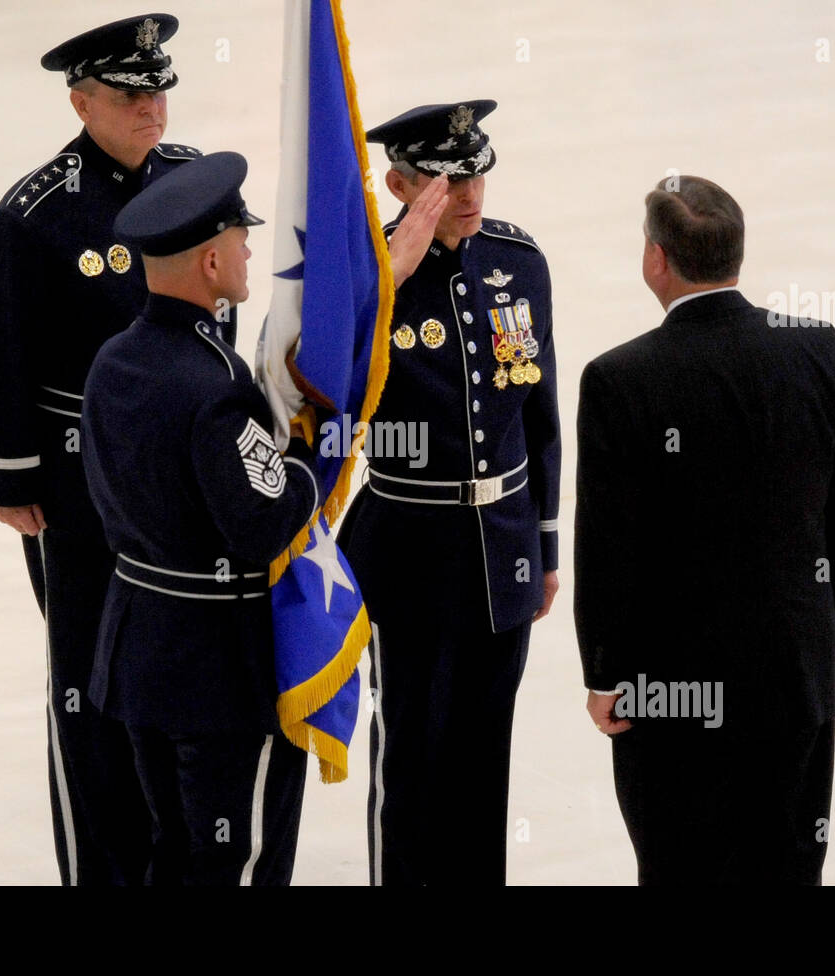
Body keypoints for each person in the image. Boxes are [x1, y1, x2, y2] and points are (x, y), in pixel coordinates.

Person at [0, 14, 204, 885]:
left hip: (181, 481)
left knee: (172, 670)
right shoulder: (40, 214)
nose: (151, 108)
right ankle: (103, 868)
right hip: (79, 486)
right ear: (81, 100)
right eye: (130, 94)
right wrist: (8, 474)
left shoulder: (193, 184)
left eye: (157, 89)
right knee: (91, 683)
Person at [574, 175, 835, 884]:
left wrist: (605, 672)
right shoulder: (815, 347)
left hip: (669, 687)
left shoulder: (619, 378)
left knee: (680, 868)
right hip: (795, 667)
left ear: (655, 259)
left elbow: (609, 542)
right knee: (789, 864)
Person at [338, 100, 561, 885]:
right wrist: (382, 282)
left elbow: (539, 410)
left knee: (481, 752)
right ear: (399, 182)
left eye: (476, 172)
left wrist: (545, 544)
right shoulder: (367, 270)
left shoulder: (517, 260)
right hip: (408, 545)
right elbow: (318, 387)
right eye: (444, 178)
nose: (468, 193)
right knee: (413, 754)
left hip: (501, 543)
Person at [81, 152, 319, 886]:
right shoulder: (214, 385)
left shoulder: (112, 362)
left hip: (140, 655)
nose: (252, 250)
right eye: (241, 240)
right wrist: (306, 466)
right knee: (232, 859)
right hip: (217, 672)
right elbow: (262, 522)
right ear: (211, 262)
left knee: (175, 850)